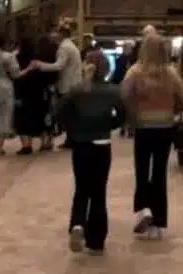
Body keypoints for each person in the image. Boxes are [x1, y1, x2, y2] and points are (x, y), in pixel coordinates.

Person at [58, 49, 125, 256]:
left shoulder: (77, 90)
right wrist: (109, 124)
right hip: (102, 142)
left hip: (81, 143)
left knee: (81, 188)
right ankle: (96, 240)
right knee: (99, 192)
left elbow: (61, 111)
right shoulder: (113, 91)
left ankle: (77, 223)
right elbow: (122, 116)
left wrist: (74, 129)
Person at [121, 34, 183, 240]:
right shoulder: (171, 73)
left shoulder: (135, 72)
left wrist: (133, 116)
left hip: (143, 126)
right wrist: (173, 110)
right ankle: (159, 221)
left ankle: (143, 209)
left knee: (142, 170)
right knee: (159, 173)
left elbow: (124, 96)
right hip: (165, 126)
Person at [32, 22, 82, 148]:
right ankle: (71, 139)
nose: (53, 35)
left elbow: (59, 65)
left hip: (67, 84)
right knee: (71, 113)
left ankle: (71, 140)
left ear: (61, 34)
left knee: (67, 114)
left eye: (56, 32)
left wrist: (40, 65)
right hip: (74, 83)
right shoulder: (70, 45)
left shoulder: (64, 48)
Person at [14, 37, 46, 154]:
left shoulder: (18, 58)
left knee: (22, 119)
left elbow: (16, 76)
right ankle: (31, 143)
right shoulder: (38, 59)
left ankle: (25, 145)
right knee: (33, 117)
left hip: (22, 92)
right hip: (36, 92)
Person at [36, 33, 59, 151]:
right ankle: (50, 139)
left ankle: (43, 140)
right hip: (51, 87)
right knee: (51, 113)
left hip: (39, 89)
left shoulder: (37, 54)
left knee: (41, 113)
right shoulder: (54, 54)